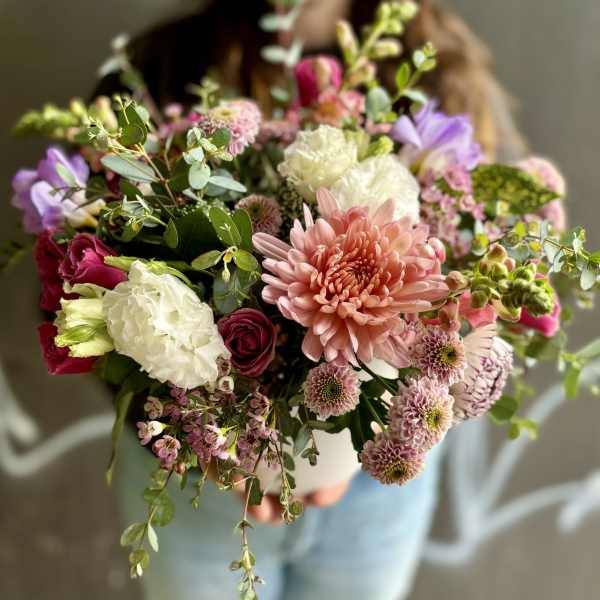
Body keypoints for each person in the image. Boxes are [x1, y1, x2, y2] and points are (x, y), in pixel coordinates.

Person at [107, 1, 526, 598]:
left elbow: (490, 266)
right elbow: (85, 298)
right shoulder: (159, 64)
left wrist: (373, 441)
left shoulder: (443, 69)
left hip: (377, 490)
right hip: (193, 485)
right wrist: (202, 441)